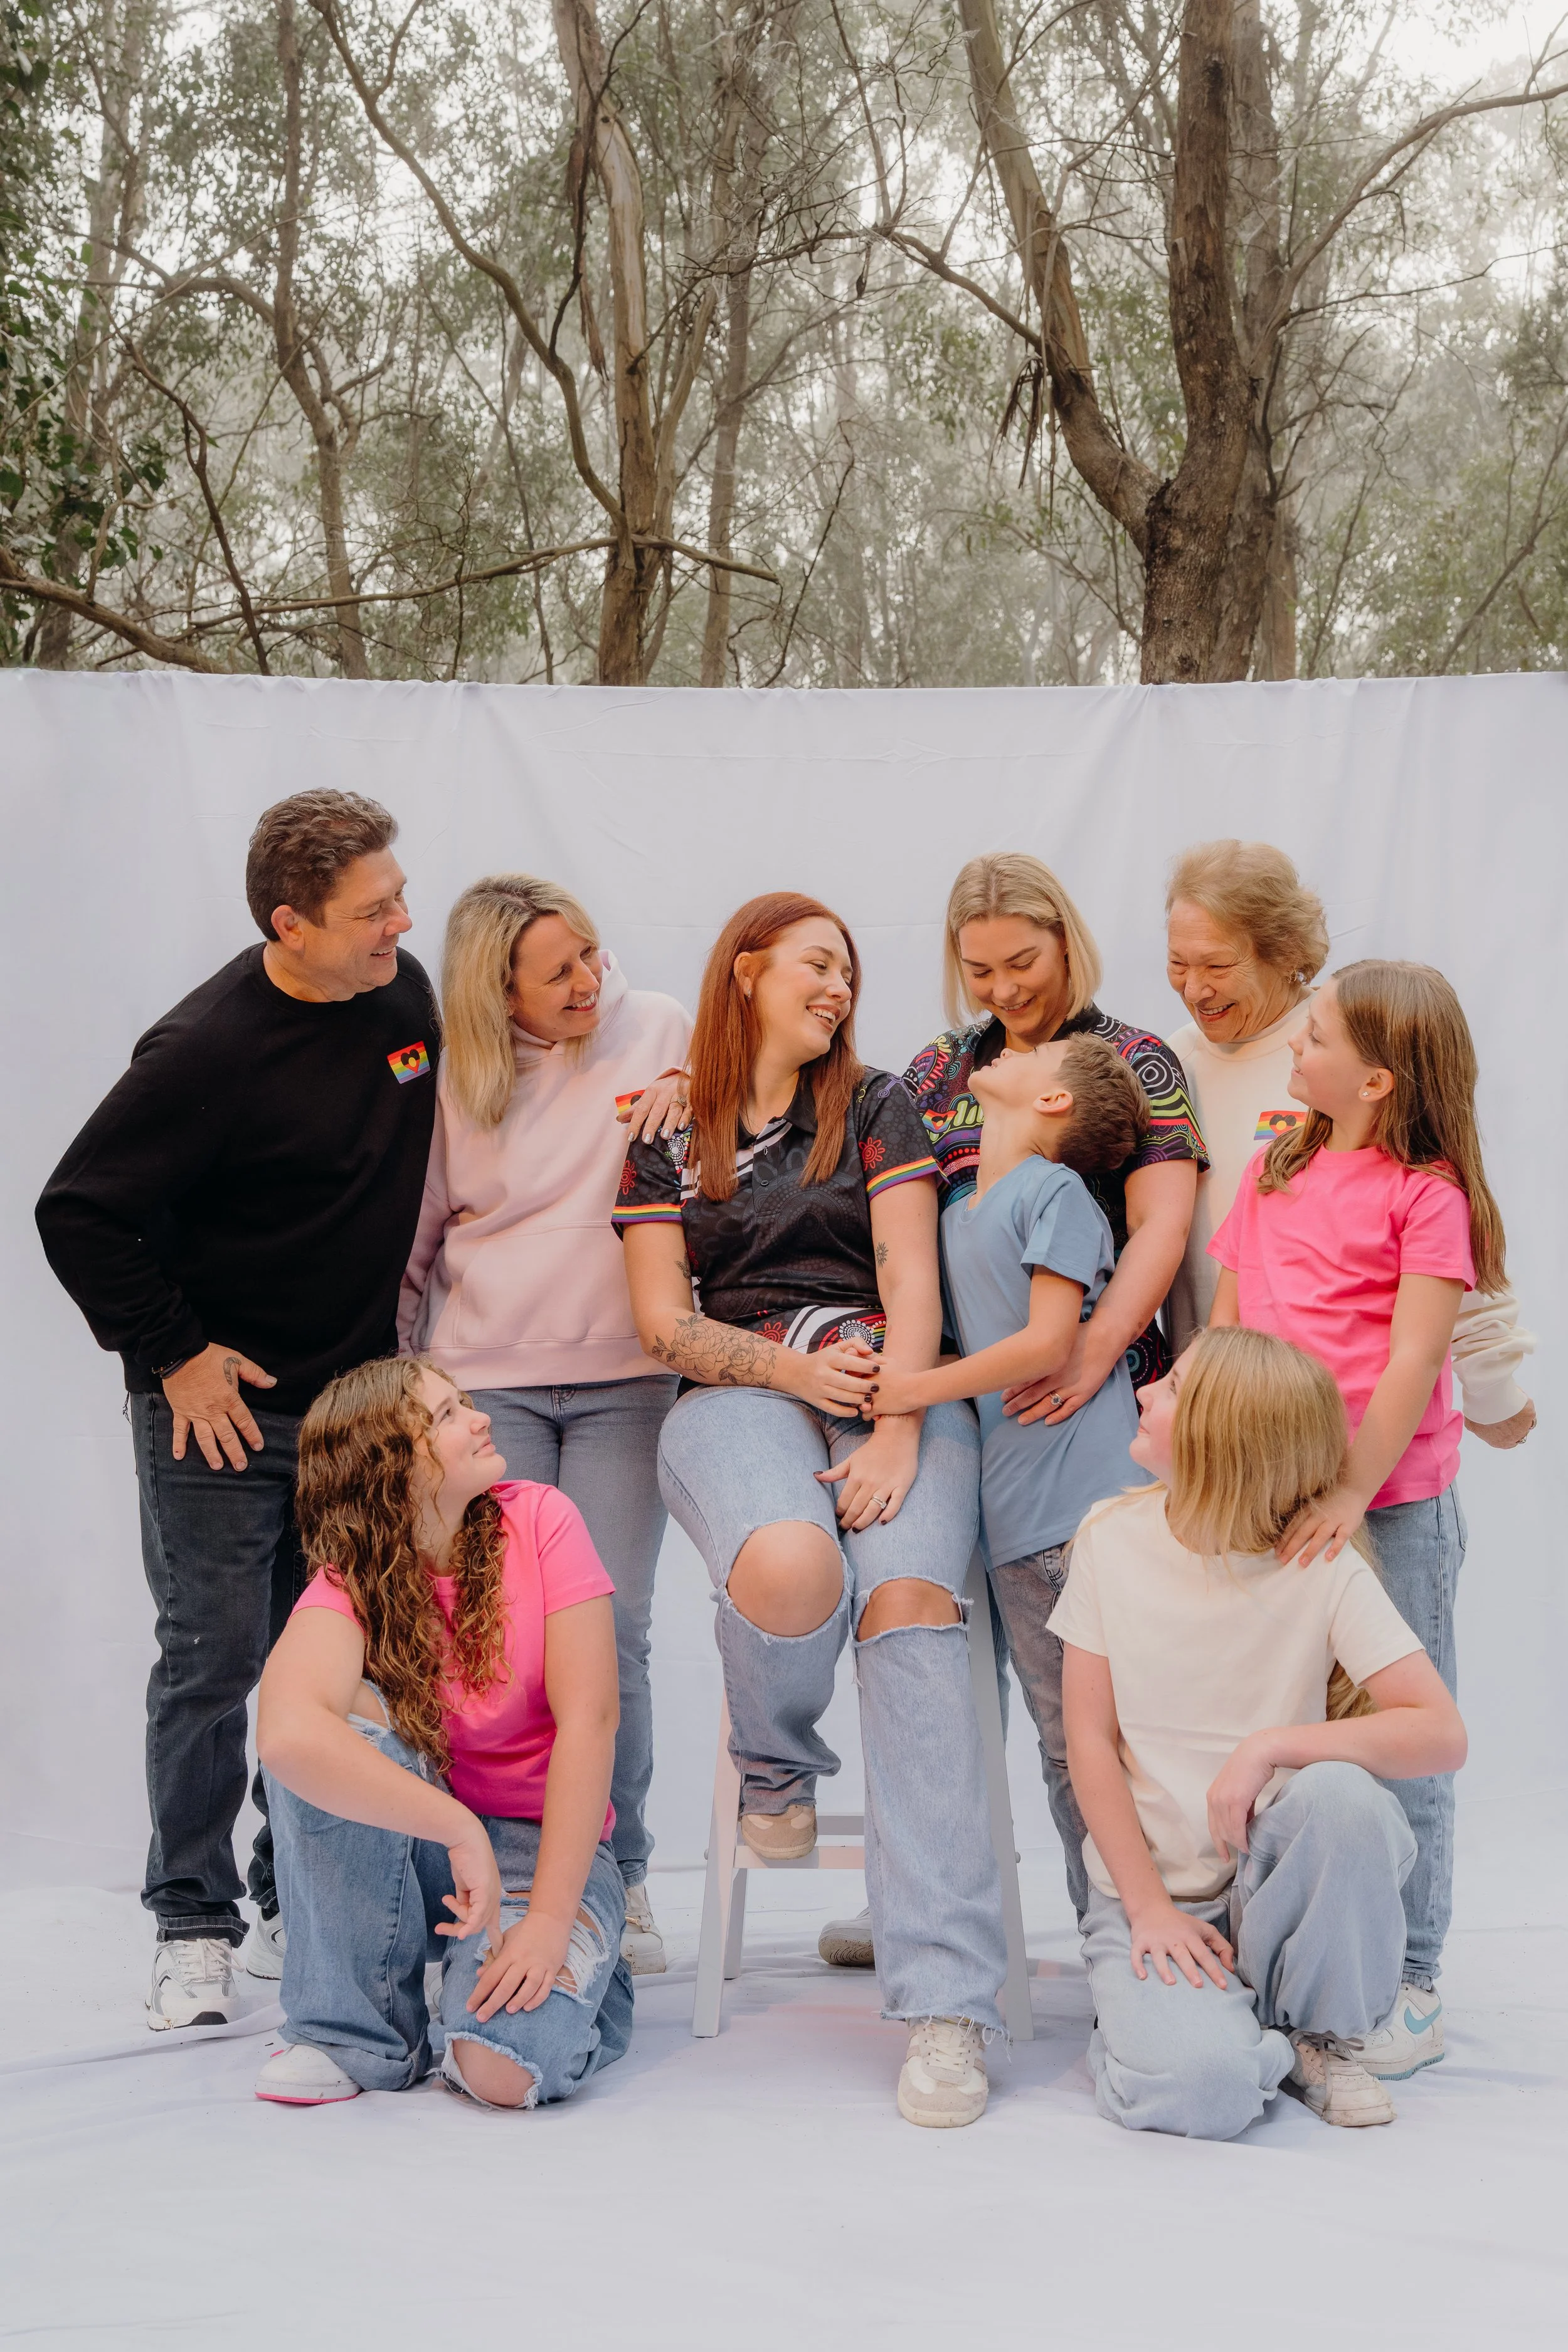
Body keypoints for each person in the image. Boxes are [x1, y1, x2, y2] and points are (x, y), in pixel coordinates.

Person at [36, 791, 440, 2030]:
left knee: (328, 1665)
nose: (400, 924)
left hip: (354, 1407)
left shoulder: (404, 1001)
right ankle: (191, 1919)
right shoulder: (205, 1049)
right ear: (290, 923)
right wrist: (176, 1358)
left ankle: (287, 1898)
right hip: (225, 1413)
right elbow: (78, 1211)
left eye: (398, 897)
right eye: (374, 911)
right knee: (214, 1657)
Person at [615, 892, 1008, 2129]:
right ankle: (776, 1768)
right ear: (742, 971)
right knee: (789, 1567)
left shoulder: (879, 1101)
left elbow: (908, 1272)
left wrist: (896, 1423)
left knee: (908, 1609)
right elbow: (660, 1323)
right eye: (814, 964)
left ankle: (944, 2006)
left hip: (891, 1387)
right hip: (738, 1387)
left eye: (848, 970)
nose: (838, 987)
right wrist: (792, 1372)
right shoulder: (667, 1130)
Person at [1056, 1327, 1467, 2139]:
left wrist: (1271, 1745)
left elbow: (1440, 1733)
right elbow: (1089, 1741)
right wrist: (1148, 1910)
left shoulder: (1323, 1563)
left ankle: (1319, 2035)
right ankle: (1226, 2030)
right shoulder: (1110, 1537)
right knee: (1201, 2093)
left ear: (1224, 1441)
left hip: (1276, 1887)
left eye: (1171, 1389)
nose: (1143, 1391)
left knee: (1343, 1797)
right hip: (1161, 1898)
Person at [1209, 959, 1505, 2074]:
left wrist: (1346, 1494)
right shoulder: (1277, 1163)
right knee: (1286, 1722)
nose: (1295, 1043)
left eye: (1316, 1033)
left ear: (1377, 1079)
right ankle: (1288, 1954)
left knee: (1406, 1745)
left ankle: (1414, 1980)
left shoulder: (1427, 1197)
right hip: (1271, 1502)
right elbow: (1229, 1331)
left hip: (1390, 1510)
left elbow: (1414, 1358)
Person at [399, 873, 691, 1974]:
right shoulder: (454, 1079)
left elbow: (711, 1152)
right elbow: (420, 1242)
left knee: (609, 1640)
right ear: (496, 989)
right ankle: (482, 1872)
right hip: (484, 1388)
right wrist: (400, 1393)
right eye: (558, 971)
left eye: (592, 955)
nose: (589, 981)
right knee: (485, 1642)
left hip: (628, 1379)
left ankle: (621, 1873)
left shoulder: (659, 1026)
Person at [253, 1358, 632, 2108]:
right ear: (388, 1468)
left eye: (464, 1402)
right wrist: (458, 1827)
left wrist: (552, 1921)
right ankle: (352, 2035)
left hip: (544, 1852)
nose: (481, 1417)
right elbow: (286, 1737)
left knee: (498, 2071)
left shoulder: (542, 1518)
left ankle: (580, 1982)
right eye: (447, 1416)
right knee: (339, 1736)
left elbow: (592, 1722)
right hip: (433, 1852)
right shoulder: (349, 1580)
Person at [861, 1032, 1153, 1920]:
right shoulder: (954, 1213)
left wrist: (912, 1387)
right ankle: (1111, 1930)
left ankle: (1139, 1927)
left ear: (1054, 1102)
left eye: (1044, 1051)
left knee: (1120, 1742)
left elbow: (1046, 1341)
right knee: (1066, 1747)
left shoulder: (1056, 1193)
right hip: (1017, 1533)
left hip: (1093, 1514)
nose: (1013, 1044)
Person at [1164, 837, 1535, 1444]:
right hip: (1225, 1418)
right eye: (1178, 963)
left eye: (1216, 965)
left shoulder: (1343, 1059)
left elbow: (1447, 1233)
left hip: (1352, 1428)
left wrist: (1492, 1389)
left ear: (1283, 954)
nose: (1194, 988)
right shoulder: (1169, 1063)